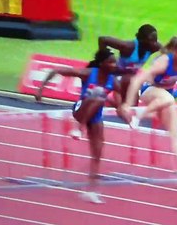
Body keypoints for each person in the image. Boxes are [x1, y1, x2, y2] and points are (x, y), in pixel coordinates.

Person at [35, 48, 127, 204]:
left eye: (115, 62)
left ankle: (91, 191)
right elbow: (57, 70)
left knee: (97, 154)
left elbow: (119, 104)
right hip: (80, 110)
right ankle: (78, 126)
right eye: (111, 62)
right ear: (102, 63)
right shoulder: (88, 73)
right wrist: (41, 89)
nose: (114, 64)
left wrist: (125, 113)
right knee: (98, 97)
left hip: (96, 117)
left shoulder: (114, 81)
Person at [119, 36, 177, 177]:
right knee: (168, 98)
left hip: (166, 97)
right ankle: (139, 115)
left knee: (175, 131)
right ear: (175, 51)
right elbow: (137, 80)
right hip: (149, 91)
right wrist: (128, 104)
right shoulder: (163, 62)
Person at [98, 24, 162, 105]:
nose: (154, 43)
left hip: (130, 78)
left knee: (132, 101)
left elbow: (168, 53)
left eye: (155, 40)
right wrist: (104, 58)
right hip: (116, 75)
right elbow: (103, 40)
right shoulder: (128, 47)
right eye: (151, 40)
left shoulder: (154, 47)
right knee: (122, 101)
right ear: (142, 40)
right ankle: (114, 100)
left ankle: (123, 104)